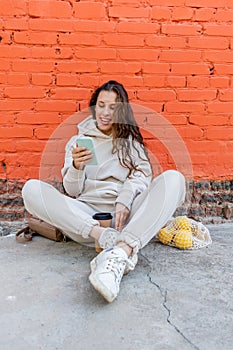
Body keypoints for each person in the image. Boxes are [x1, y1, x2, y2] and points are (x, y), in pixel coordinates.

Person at [22, 80, 186, 303]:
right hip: (87, 220)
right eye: (101, 105)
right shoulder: (79, 142)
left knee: (174, 179)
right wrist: (77, 168)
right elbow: (72, 190)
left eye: (113, 107)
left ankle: (121, 250)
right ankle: (106, 239)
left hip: (126, 219)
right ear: (94, 107)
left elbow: (142, 176)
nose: (106, 113)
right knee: (31, 189)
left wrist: (124, 199)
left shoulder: (130, 143)